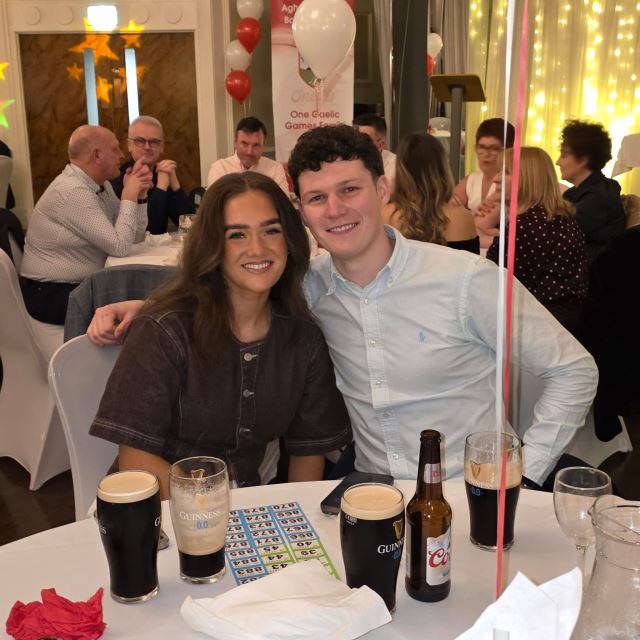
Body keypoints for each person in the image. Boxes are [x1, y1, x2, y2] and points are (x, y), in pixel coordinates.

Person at [88, 125, 598, 490]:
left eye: (349, 190)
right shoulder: (310, 288)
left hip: (466, 491)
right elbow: (237, 283)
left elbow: (575, 370)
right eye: (316, 198)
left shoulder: (466, 281)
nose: (334, 210)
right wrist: (150, 306)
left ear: (382, 189)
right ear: (302, 212)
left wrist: (524, 473)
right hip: (367, 489)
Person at [89, 171, 351, 498]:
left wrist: (297, 517)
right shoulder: (164, 331)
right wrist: (216, 512)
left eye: (271, 230)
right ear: (212, 245)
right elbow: (136, 461)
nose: (257, 248)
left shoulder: (303, 339)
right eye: (237, 235)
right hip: (154, 507)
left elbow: (308, 451)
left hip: (245, 505)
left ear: (290, 240)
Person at [20, 125, 151, 325]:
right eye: (115, 149)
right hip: (51, 294)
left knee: (142, 300)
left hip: (77, 286)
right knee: (138, 311)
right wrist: (129, 195)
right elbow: (120, 247)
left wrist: (139, 197)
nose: (121, 155)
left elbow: (134, 237)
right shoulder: (72, 191)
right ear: (96, 155)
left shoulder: (101, 185)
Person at [486, 147, 588, 333]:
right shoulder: (556, 218)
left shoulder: (526, 225)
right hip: (564, 324)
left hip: (538, 329)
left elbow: (496, 285)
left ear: (527, 179)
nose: (495, 178)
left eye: (505, 172)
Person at [382, 132, 478, 253]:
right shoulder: (463, 218)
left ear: (401, 170)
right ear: (443, 169)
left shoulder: (386, 216)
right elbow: (474, 264)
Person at [110, 115, 194, 235]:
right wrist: (161, 188)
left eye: (154, 142)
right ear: (129, 145)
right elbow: (146, 231)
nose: (147, 147)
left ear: (162, 147)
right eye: (140, 141)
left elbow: (190, 226)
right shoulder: (119, 178)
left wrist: (175, 186)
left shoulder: (163, 173)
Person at [557, 119, 626, 263]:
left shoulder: (599, 197)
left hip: (591, 271)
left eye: (563, 155)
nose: (558, 162)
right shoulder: (575, 193)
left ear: (583, 160)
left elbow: (560, 236)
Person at [452, 118, 515, 249]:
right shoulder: (471, 180)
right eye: (481, 147)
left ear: (508, 151)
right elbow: (448, 214)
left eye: (494, 149)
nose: (486, 154)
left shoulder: (510, 184)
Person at [206, 117, 290, 194]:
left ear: (263, 146)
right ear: (235, 143)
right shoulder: (220, 169)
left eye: (256, 145)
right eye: (244, 144)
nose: (249, 152)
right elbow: (214, 204)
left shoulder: (275, 169)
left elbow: (283, 204)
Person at [353, 113, 396, 193]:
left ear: (381, 144)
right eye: (354, 137)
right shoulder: (346, 161)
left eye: (364, 139)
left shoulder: (395, 168)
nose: (357, 143)